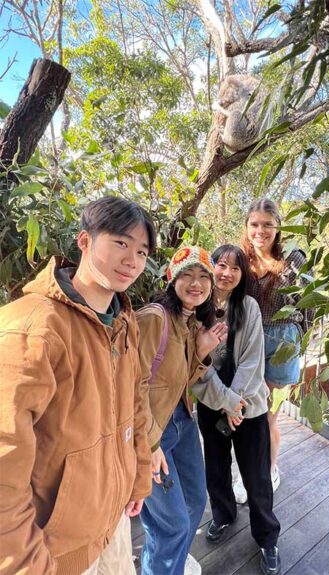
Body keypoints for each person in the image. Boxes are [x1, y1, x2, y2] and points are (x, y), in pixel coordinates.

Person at [0, 197, 155, 574]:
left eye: (141, 250)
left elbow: (134, 402)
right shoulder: (33, 327)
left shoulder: (122, 320)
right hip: (53, 552)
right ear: (84, 241)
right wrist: (25, 564)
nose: (132, 260)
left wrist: (139, 477)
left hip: (111, 526)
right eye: (120, 242)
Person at [138, 246, 227, 575]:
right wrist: (148, 444)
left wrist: (203, 352)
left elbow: (179, 381)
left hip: (181, 422)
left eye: (204, 276)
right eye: (187, 274)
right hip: (152, 431)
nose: (196, 282)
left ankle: (168, 560)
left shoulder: (190, 324)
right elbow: (128, 386)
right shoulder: (152, 319)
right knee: (172, 522)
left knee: (194, 501)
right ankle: (162, 565)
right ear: (171, 279)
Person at [192, 245, 281, 573]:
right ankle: (223, 516)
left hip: (249, 407)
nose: (226, 273)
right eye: (221, 265)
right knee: (215, 467)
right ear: (211, 267)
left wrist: (236, 401)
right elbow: (197, 364)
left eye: (235, 268)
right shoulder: (198, 307)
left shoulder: (249, 307)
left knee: (256, 476)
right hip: (213, 404)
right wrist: (225, 401)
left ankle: (267, 537)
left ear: (243, 274)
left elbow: (251, 363)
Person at [242, 199, 308, 492]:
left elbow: (306, 303)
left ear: (278, 227)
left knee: (267, 415)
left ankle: (268, 470)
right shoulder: (240, 260)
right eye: (254, 224)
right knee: (246, 412)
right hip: (250, 341)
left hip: (282, 342)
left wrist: (300, 336)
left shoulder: (294, 258)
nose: (261, 230)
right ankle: (244, 472)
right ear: (246, 227)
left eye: (267, 224)